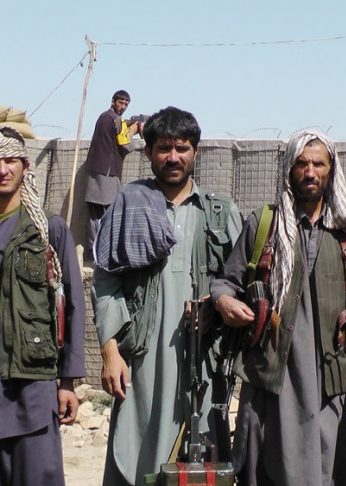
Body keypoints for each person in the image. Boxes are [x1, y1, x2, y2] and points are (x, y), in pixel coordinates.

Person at [210, 129, 346, 485]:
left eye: (319, 164)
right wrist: (224, 301)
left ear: (331, 171)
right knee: (265, 467)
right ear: (289, 169)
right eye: (302, 164)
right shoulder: (264, 225)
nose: (310, 172)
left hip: (327, 379)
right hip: (270, 374)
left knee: (324, 467)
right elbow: (225, 281)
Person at [92, 106, 242, 486]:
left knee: (201, 460)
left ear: (196, 151)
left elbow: (238, 284)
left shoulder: (219, 213)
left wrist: (217, 308)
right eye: (163, 148)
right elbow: (105, 282)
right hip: (141, 363)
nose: (173, 157)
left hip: (203, 363)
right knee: (136, 453)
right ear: (148, 152)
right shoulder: (129, 206)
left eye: (182, 148)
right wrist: (110, 352)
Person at [0, 127, 85, 485]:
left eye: (9, 160)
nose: (2, 169)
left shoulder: (49, 230)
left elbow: (73, 306)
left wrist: (67, 381)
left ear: (25, 166)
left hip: (32, 389)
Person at [83, 89, 140, 261]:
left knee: (94, 216)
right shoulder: (116, 120)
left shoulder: (104, 117)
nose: (123, 106)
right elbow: (125, 144)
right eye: (121, 102)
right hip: (107, 174)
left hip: (95, 172)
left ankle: (93, 252)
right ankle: (104, 253)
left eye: (126, 104)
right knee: (108, 215)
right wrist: (133, 131)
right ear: (113, 101)